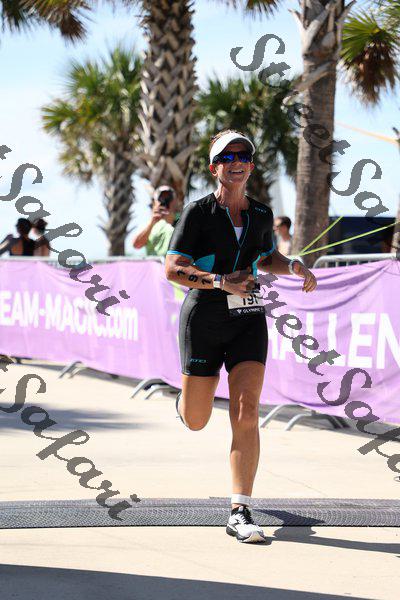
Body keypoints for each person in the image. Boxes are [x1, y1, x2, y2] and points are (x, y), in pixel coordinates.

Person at [165, 129, 317, 544]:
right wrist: (220, 281)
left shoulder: (262, 214)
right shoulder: (197, 213)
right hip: (203, 317)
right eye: (227, 157)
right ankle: (186, 402)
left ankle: (239, 510)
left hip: (248, 318)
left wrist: (294, 265)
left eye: (244, 156)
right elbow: (173, 269)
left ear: (251, 166)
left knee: (248, 412)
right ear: (214, 168)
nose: (237, 162)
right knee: (197, 420)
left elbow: (267, 257)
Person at [132, 186, 180, 257]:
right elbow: (136, 245)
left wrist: (170, 217)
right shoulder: (148, 223)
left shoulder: (182, 220)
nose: (165, 201)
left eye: (168, 198)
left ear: (174, 201)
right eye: (161, 199)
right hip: (154, 264)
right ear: (155, 202)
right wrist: (152, 222)